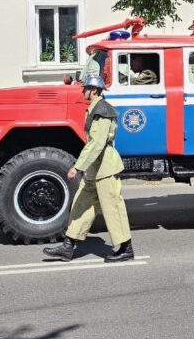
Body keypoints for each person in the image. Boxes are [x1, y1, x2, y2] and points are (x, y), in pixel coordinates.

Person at [43, 75, 134, 263]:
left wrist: (77, 167)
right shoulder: (94, 108)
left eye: (85, 88)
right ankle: (68, 246)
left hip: (105, 167)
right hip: (94, 168)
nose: (82, 91)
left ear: (93, 90)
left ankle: (126, 248)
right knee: (81, 204)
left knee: (113, 207)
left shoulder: (102, 110)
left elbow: (97, 143)